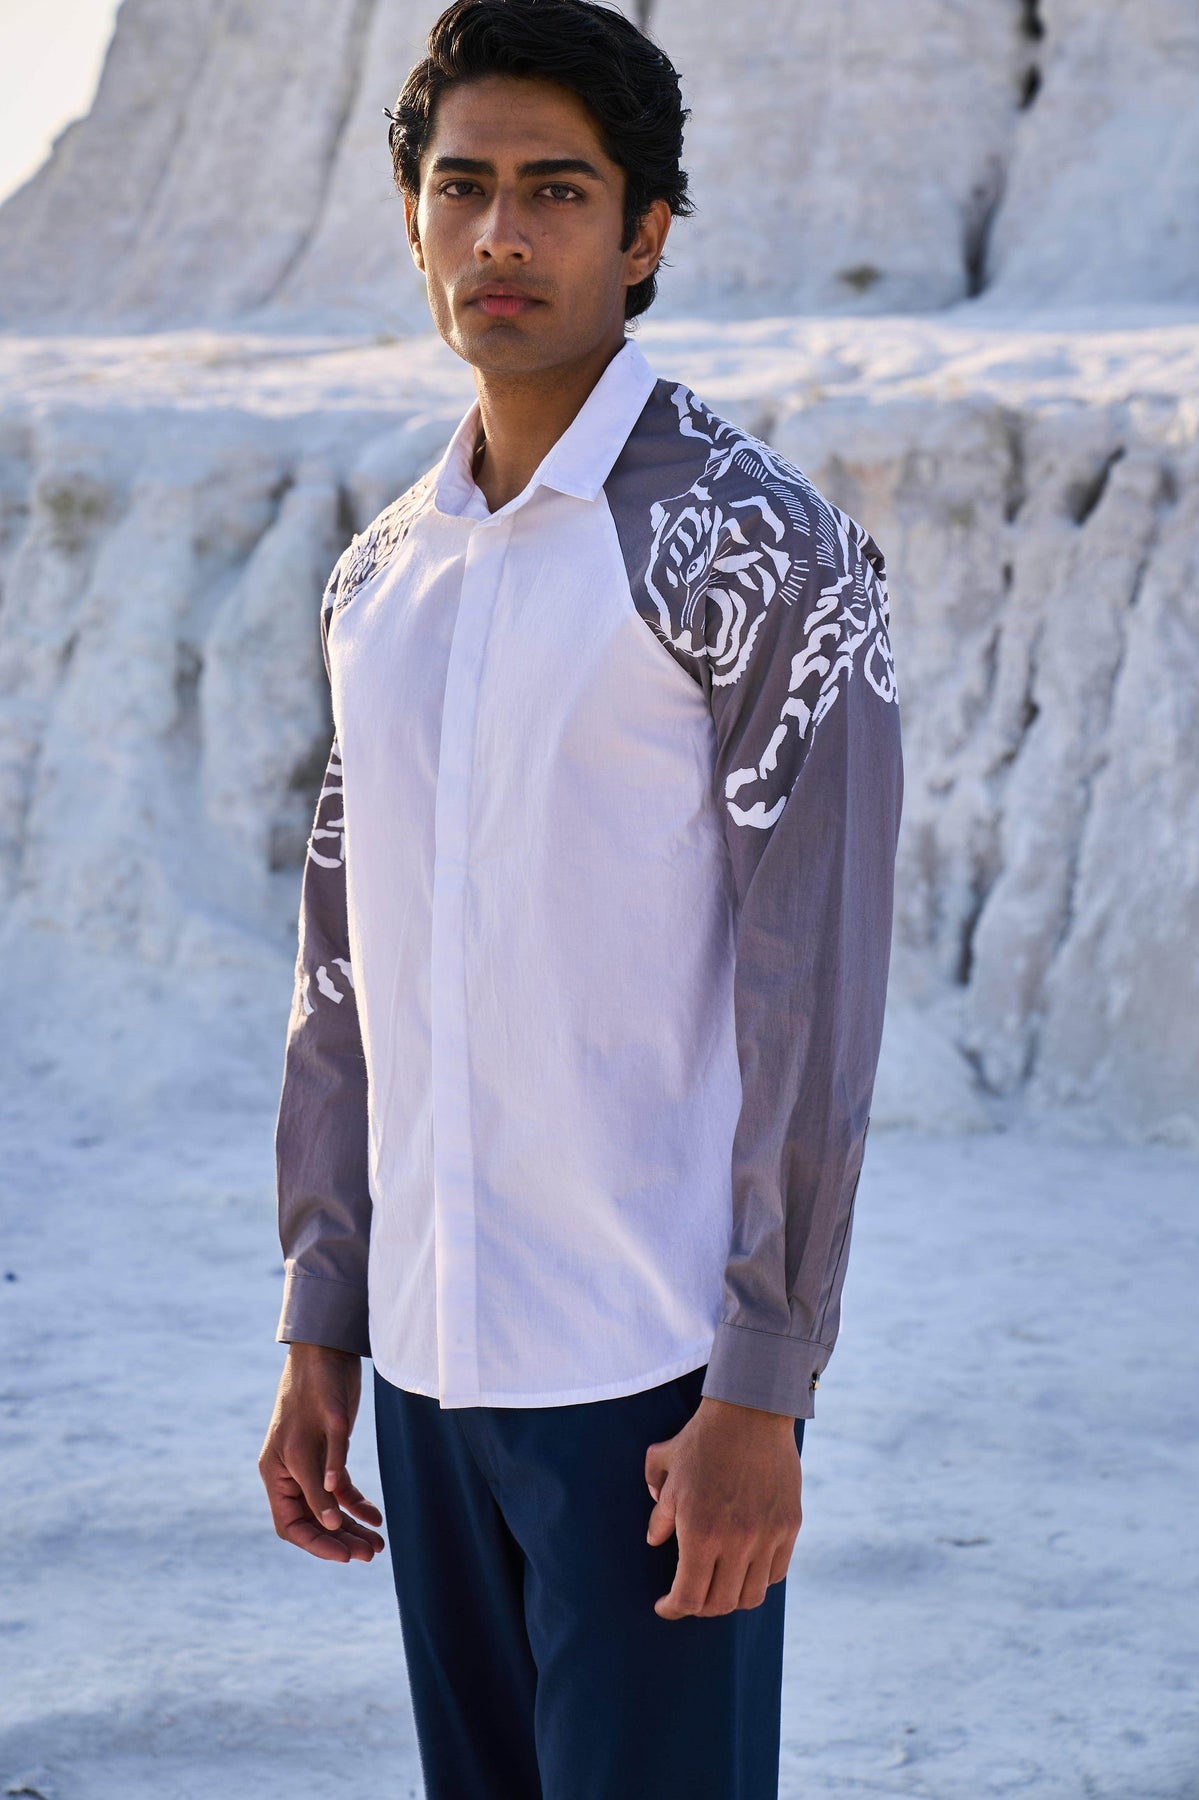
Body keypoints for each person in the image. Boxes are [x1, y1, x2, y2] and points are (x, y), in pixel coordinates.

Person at [257, 2, 903, 1794]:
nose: (501, 235)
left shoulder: (758, 545)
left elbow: (817, 987)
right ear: (413, 223)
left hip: (652, 1383)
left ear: (644, 234)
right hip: (422, 1369)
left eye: (557, 191)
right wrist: (324, 1313)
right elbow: (343, 963)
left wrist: (764, 1382)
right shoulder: (381, 575)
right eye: (462, 188)